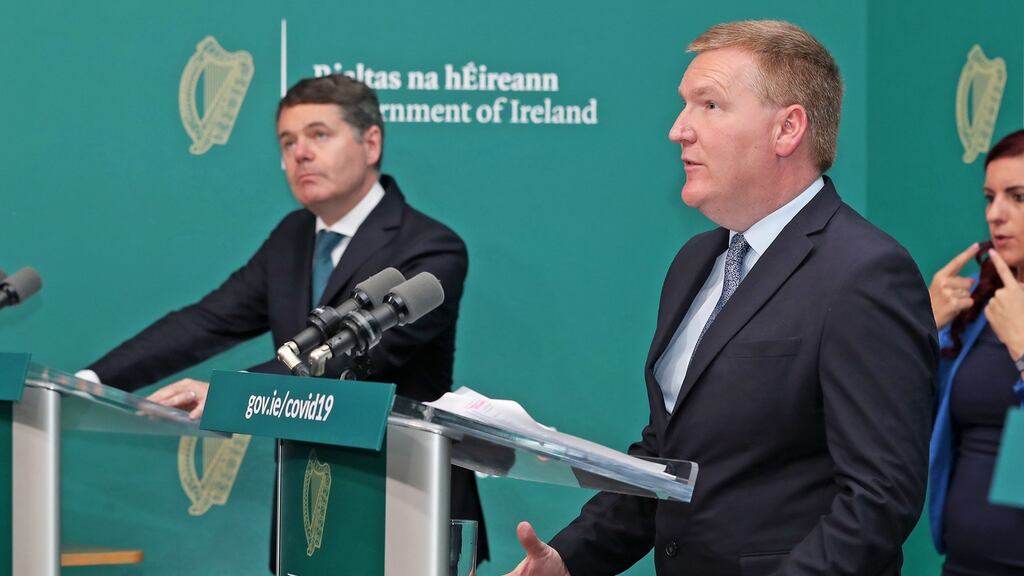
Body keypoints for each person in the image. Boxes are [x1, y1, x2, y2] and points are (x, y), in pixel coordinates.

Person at [504, 20, 936, 576]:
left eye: (708, 106)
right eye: (684, 106)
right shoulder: (695, 263)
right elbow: (669, 461)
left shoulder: (865, 273)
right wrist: (568, 560)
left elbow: (878, 499)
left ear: (788, 129)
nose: (679, 130)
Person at [77, 74, 487, 563]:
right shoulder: (292, 238)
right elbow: (208, 321)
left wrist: (233, 394)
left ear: (371, 142)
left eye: (319, 135)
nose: (300, 154)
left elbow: (352, 356)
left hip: (405, 499)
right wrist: (93, 380)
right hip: (307, 499)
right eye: (287, 142)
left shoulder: (430, 249)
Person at [927, 129, 1024, 575]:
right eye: (990, 197)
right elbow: (905, 417)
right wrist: (923, 331)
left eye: (1018, 197)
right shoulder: (979, 308)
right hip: (964, 562)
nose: (996, 215)